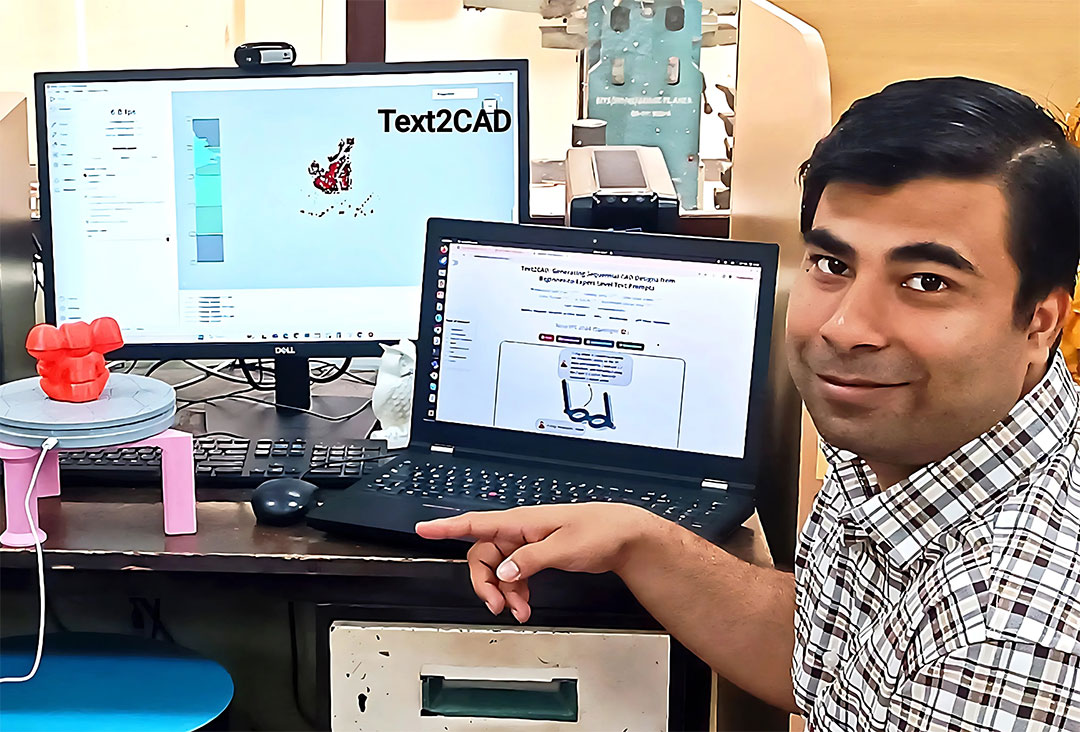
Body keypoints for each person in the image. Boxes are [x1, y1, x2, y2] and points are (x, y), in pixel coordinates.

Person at [417, 77, 1080, 730]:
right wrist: (639, 541)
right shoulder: (912, 447)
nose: (845, 328)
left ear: (1041, 321)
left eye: (927, 282)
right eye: (833, 265)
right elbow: (832, 658)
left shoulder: (1003, 638)